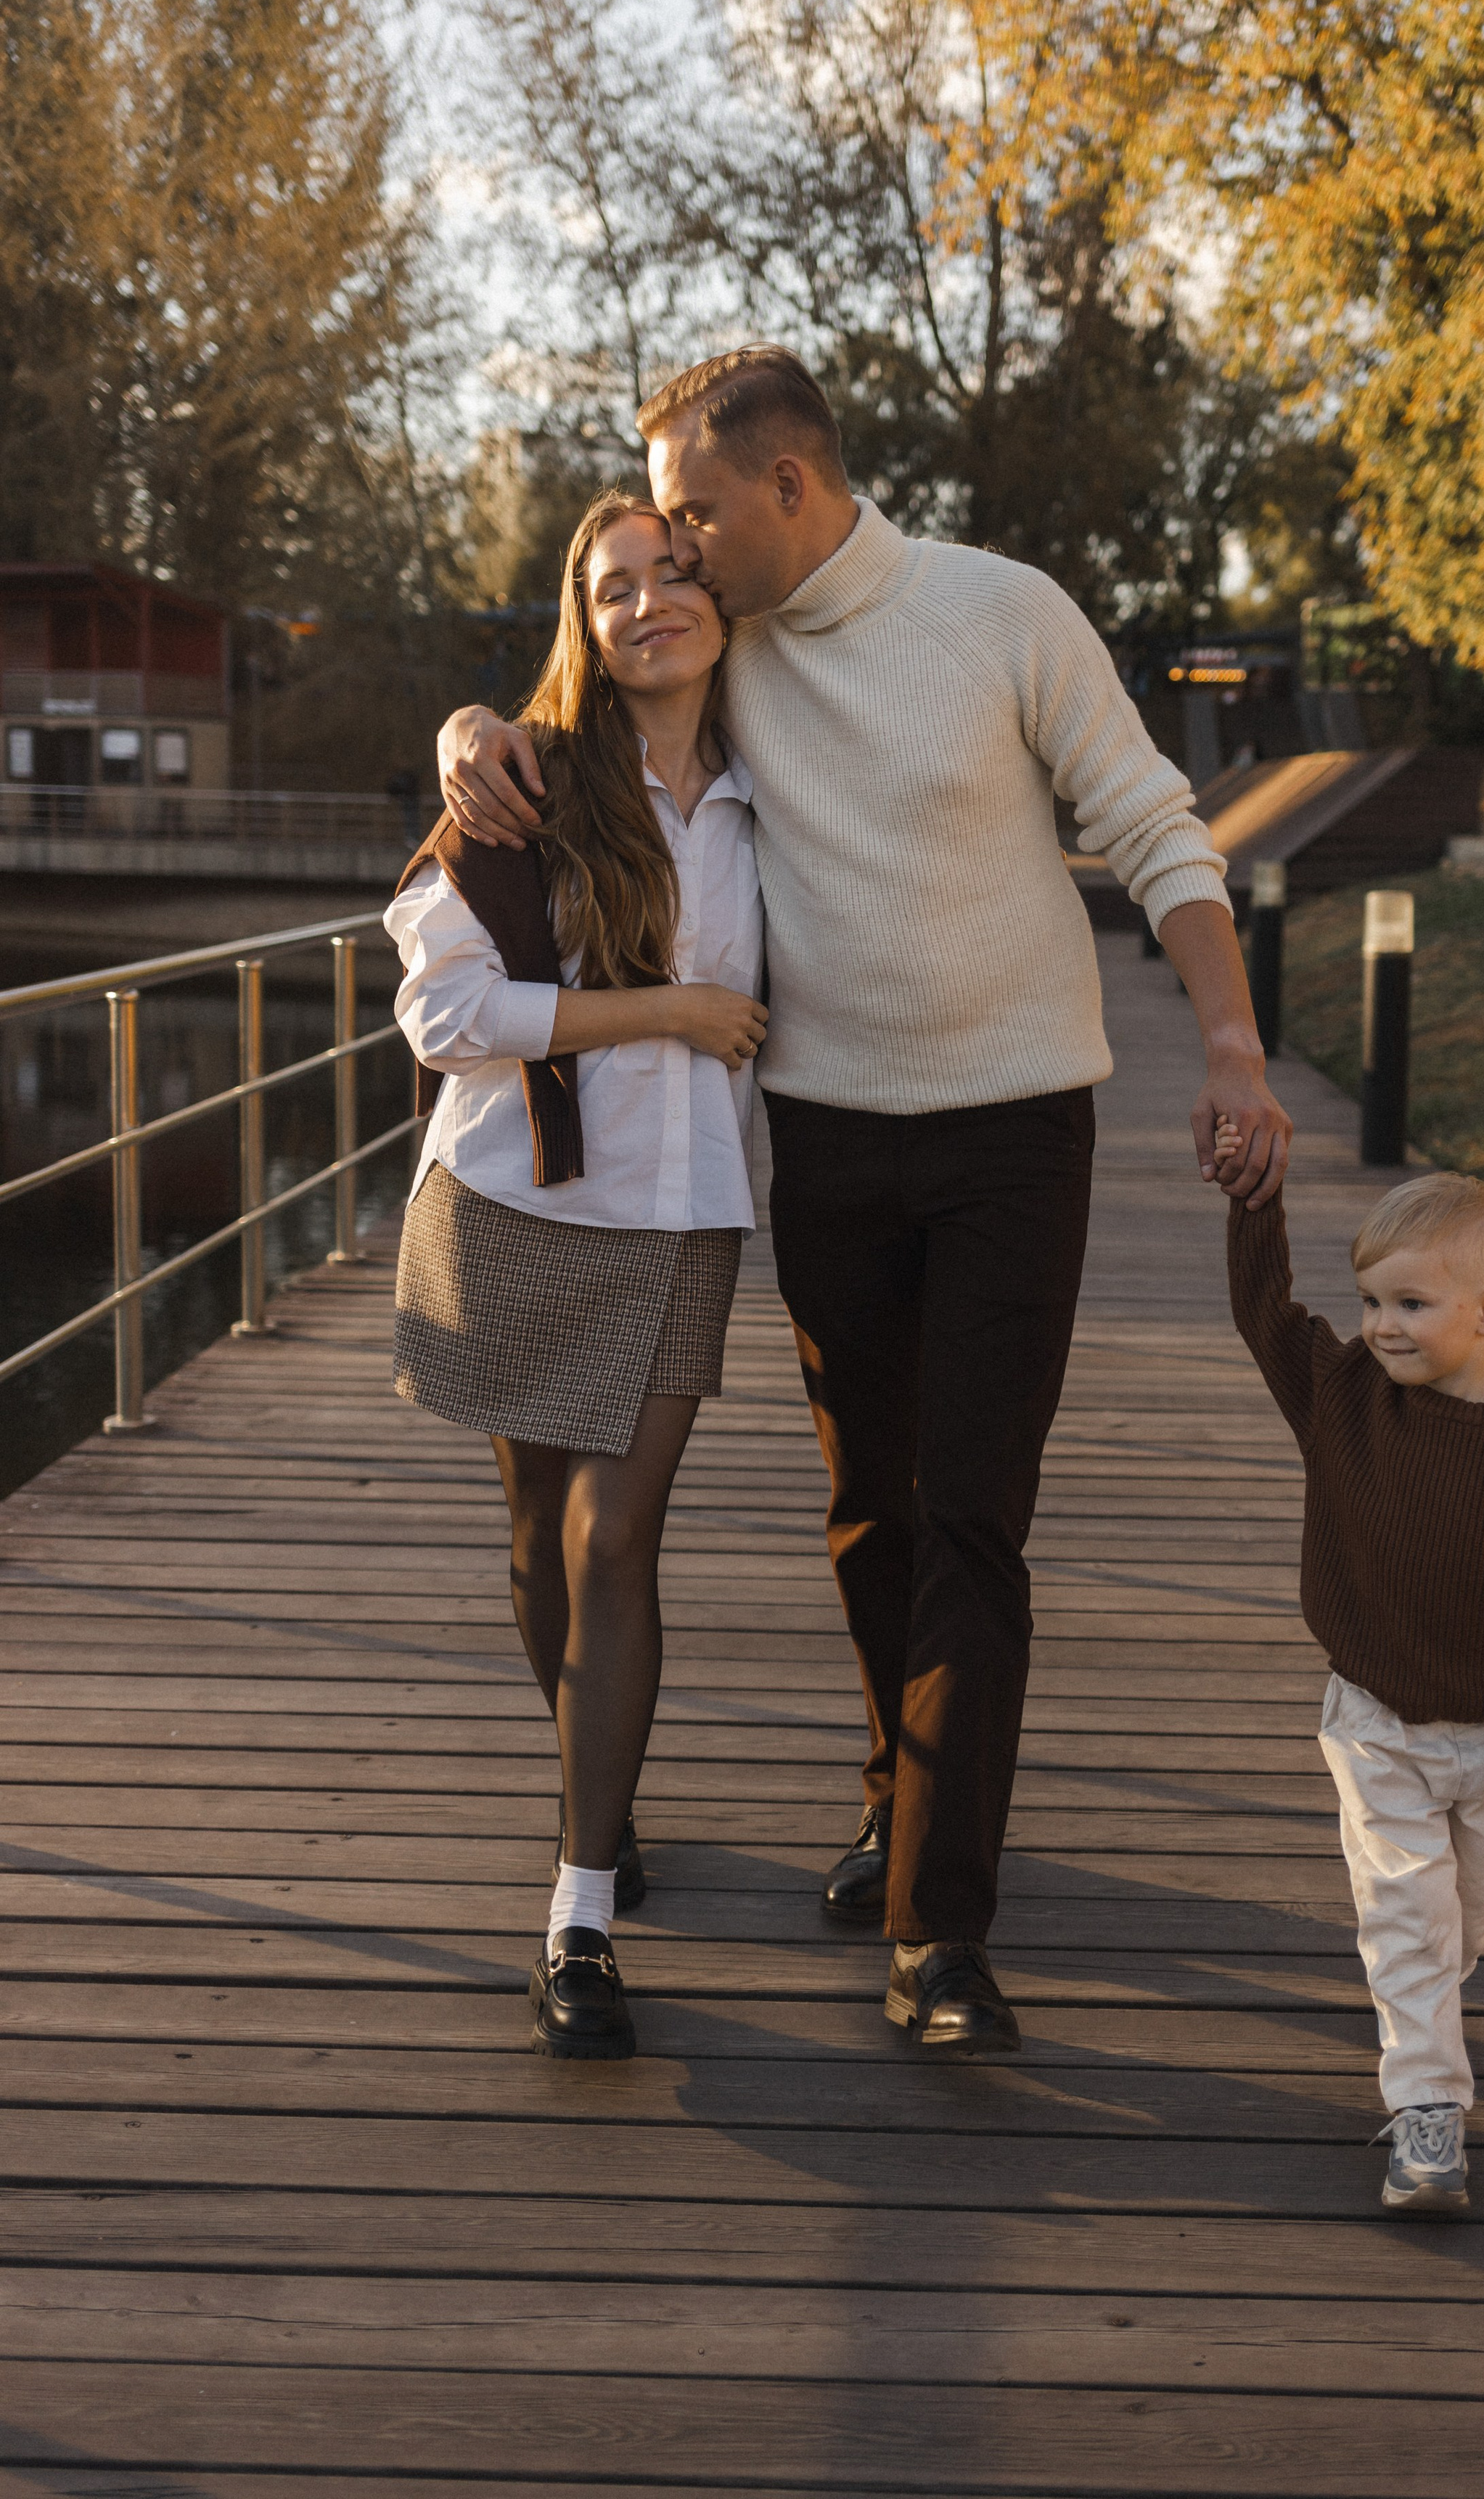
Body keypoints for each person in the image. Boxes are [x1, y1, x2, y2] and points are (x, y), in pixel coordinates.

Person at [435, 344, 1292, 2058]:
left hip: (1015, 1135)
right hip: (827, 1142)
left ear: (787, 486)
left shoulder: (1001, 613)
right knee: (867, 1514)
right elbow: (576, 703)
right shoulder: (726, 645)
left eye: (692, 515)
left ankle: (938, 1930)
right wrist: (466, 734)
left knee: (971, 1517)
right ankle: (898, 1795)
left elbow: (1156, 826)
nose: (677, 556)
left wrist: (1230, 1046)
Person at [388, 488, 767, 2061]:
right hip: (513, 1202)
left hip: (680, 1213)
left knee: (617, 1540)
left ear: (722, 599)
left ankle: (578, 1911)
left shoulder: (780, 781)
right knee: (539, 1535)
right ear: (585, 622)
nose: (650, 602)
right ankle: (595, 1792)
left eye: (675, 574)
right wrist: (664, 1011)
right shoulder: (527, 779)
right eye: (616, 587)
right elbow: (443, 1017)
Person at [1219, 1156, 1484, 2212]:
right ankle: (1427, 2114)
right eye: (1369, 1301)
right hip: (1377, 1719)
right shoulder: (1344, 1395)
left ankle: (1422, 2004)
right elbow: (1265, 1315)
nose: (1381, 1327)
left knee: (1470, 1912)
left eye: (1410, 1303)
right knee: (1407, 1913)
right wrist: (1254, 1196)